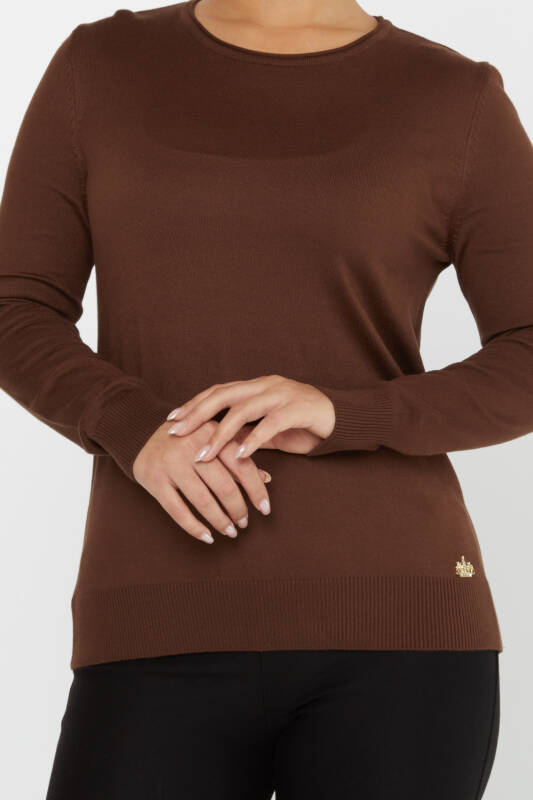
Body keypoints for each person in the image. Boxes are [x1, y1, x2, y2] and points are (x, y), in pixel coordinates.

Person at [1, 0, 531, 797]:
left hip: (398, 629)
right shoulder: (100, 66)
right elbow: (16, 306)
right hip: (153, 616)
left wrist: (345, 413)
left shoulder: (453, 96)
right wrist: (133, 427)